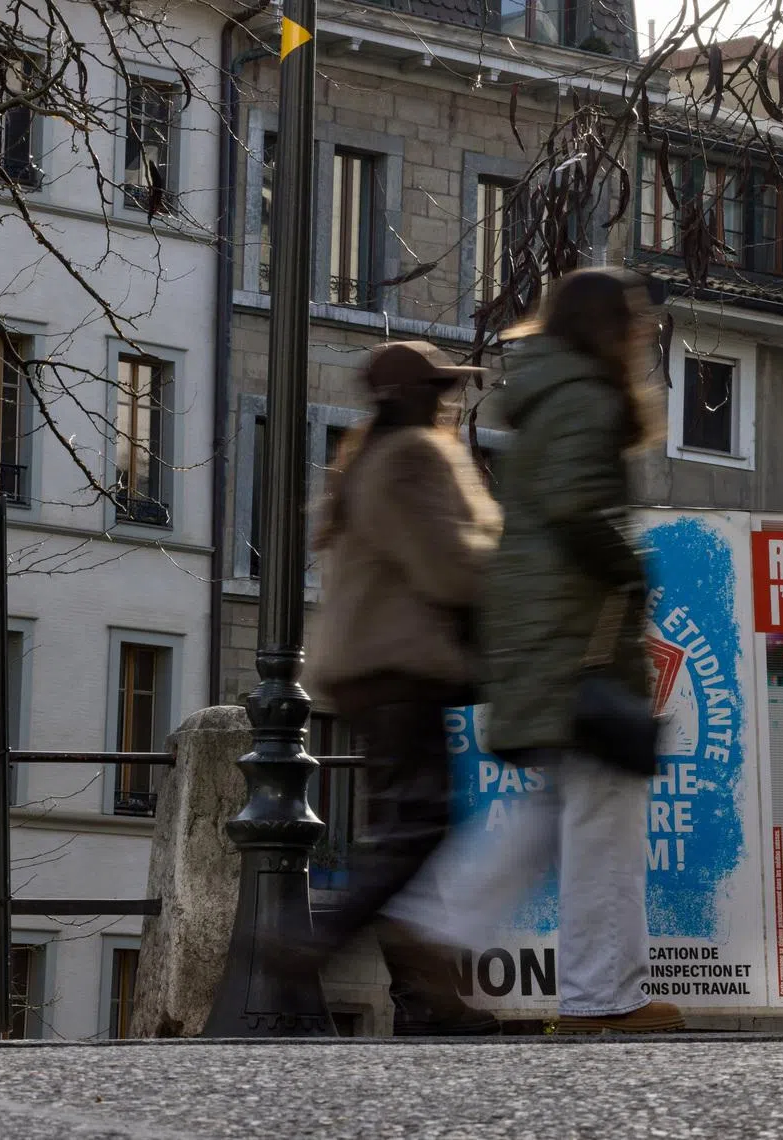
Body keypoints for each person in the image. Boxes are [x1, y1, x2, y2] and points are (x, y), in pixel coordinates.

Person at [384, 268, 684, 1034]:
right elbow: (577, 506)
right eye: (635, 320)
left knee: (562, 811)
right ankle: (598, 997)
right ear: (605, 327)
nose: (644, 332)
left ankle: (440, 924)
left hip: (542, 633)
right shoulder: (586, 397)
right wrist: (632, 567)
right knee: (599, 812)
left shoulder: (550, 396)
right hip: (573, 636)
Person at [301, 340, 504, 1036]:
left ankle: (431, 1000)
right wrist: (511, 563)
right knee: (417, 827)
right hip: (400, 669)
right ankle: (314, 945)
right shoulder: (415, 456)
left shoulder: (363, 463)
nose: (447, 398)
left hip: (367, 672)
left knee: (406, 828)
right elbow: (448, 567)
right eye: (437, 387)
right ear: (408, 396)